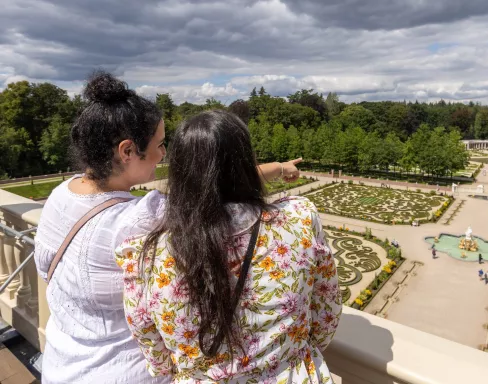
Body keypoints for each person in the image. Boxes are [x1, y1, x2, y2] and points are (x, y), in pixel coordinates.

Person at [34, 72, 302, 384]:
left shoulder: (62, 194)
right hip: (122, 371)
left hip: (59, 363)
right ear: (127, 151)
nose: (164, 155)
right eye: (160, 145)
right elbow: (218, 188)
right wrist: (281, 168)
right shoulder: (141, 218)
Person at [116, 110, 342, 383]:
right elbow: (326, 315)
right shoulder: (300, 219)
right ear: (246, 161)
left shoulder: (145, 256)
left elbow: (157, 356)